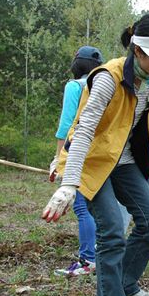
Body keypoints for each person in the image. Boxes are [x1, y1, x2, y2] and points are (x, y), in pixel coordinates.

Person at [41, 13, 149, 296]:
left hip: (123, 162)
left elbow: (145, 125)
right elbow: (83, 131)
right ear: (138, 52)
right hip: (92, 163)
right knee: (110, 230)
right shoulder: (108, 77)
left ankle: (125, 284)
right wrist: (69, 182)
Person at [49, 45, 104, 277]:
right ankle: (98, 255)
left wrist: (58, 158)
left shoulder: (75, 86)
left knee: (82, 208)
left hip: (79, 151)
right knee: (95, 207)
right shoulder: (102, 84)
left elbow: (67, 124)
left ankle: (88, 260)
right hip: (101, 153)